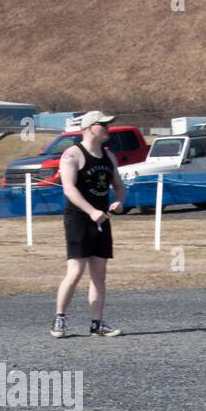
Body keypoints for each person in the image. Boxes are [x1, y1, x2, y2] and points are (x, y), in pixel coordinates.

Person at [51, 110, 127, 338]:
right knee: (75, 271)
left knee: (99, 273)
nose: (107, 128)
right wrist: (91, 211)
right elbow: (69, 189)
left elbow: (119, 185)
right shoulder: (72, 155)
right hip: (78, 219)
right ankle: (59, 320)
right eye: (102, 125)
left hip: (101, 219)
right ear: (88, 127)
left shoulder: (109, 156)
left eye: (107, 124)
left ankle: (97, 323)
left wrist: (120, 202)